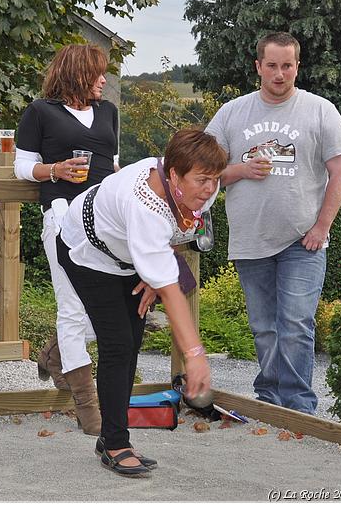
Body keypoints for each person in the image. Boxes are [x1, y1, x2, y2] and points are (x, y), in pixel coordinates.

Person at [57, 128, 222, 477]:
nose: (209, 190)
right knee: (117, 343)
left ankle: (110, 436)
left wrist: (154, 271)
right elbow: (173, 292)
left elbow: (179, 227)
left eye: (215, 179)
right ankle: (115, 443)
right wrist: (195, 356)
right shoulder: (143, 202)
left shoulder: (196, 188)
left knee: (132, 340)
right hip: (87, 252)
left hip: (128, 254)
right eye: (202, 180)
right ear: (174, 174)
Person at [205, 32, 341, 415]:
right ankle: (269, 400)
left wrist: (322, 227)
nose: (279, 73)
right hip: (250, 238)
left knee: (296, 324)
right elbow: (201, 171)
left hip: (302, 241)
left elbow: (340, 170)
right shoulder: (232, 113)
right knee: (264, 327)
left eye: (287, 65)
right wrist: (237, 169)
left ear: (297, 67)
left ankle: (299, 408)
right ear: (258, 66)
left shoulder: (320, 110)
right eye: (271, 65)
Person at [13, 44, 118, 435]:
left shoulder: (109, 112)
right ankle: (88, 407)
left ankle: (55, 355)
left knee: (105, 305)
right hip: (60, 216)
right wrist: (54, 169)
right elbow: (22, 166)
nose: (104, 80)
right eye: (97, 73)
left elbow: (113, 161)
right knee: (72, 308)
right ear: (76, 73)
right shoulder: (41, 111)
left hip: (106, 219)